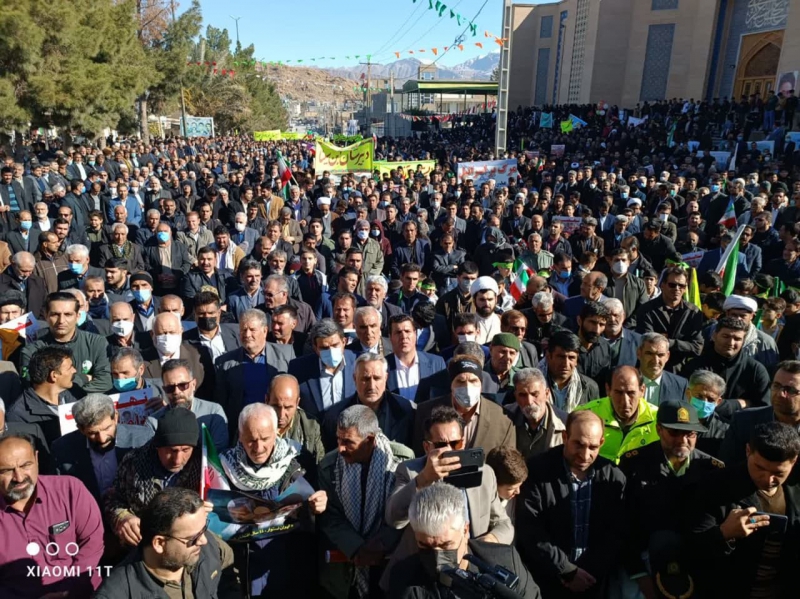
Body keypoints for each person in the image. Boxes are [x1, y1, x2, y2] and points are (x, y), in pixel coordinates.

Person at [618, 400, 724, 599]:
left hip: (694, 564)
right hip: (643, 563)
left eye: (690, 434)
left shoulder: (712, 470)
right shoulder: (634, 464)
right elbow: (622, 524)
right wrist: (639, 574)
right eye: (675, 432)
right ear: (659, 429)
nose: (683, 440)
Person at [219, 403, 327, 597]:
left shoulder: (298, 462)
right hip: (243, 568)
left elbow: (313, 519)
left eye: (265, 439)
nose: (258, 448)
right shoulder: (224, 468)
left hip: (289, 566)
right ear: (240, 436)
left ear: (277, 432)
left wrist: (318, 506)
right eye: (251, 440)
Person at [516, 411, 626, 599]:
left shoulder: (613, 477)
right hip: (545, 582)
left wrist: (587, 573)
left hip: (593, 583)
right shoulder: (537, 471)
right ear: (565, 437)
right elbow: (531, 529)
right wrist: (566, 570)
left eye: (593, 447)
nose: (585, 455)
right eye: (579, 445)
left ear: (601, 443)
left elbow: (616, 533)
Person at [685, 422, 800, 598]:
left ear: (794, 461)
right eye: (760, 468)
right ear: (748, 451)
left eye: (778, 473)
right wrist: (724, 533)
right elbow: (690, 549)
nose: (768, 479)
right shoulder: (715, 487)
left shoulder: (795, 489)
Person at [317, 404, 415, 599]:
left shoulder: (401, 461)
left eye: (348, 442)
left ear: (369, 440)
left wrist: (380, 544)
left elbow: (405, 510)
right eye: (338, 439)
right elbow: (330, 516)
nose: (340, 448)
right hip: (345, 570)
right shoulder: (329, 466)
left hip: (387, 564)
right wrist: (356, 548)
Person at [388, 481, 540, 599]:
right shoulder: (404, 578)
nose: (437, 558)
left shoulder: (506, 561)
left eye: (446, 545)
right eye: (425, 546)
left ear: (465, 530)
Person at [0, 432, 105, 598]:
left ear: (36, 458)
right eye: (7, 470)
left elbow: (93, 543)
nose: (19, 477)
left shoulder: (70, 490)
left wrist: (69, 592)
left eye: (26, 465)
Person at [94, 487, 239, 599]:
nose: (204, 540)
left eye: (204, 529)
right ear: (159, 543)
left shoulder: (214, 549)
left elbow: (230, 586)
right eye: (192, 538)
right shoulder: (117, 593)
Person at [104, 407, 202, 547]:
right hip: (145, 544)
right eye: (171, 451)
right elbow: (112, 499)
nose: (177, 460)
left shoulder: (203, 467)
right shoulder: (133, 463)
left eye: (186, 450)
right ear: (157, 446)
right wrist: (122, 518)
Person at [52, 393, 153, 505]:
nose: (102, 439)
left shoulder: (143, 439)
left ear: (115, 417)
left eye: (107, 428)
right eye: (93, 433)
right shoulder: (63, 448)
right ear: (81, 429)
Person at [412, 355, 516, 455]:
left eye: (473, 381)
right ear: (451, 385)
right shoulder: (426, 412)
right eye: (460, 381)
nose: (467, 387)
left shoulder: (503, 420)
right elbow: (418, 455)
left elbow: (506, 461)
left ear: (481, 385)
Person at [214, 309, 289, 439]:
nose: (247, 334)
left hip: (277, 429)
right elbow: (221, 402)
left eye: (252, 330)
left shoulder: (286, 355)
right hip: (241, 431)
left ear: (265, 331)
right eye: (243, 330)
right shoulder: (224, 362)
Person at [21, 291, 112, 396]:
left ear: (78, 316)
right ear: (46, 315)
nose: (61, 321)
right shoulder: (31, 351)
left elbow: (105, 382)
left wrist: (60, 392)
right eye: (55, 314)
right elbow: (32, 387)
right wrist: (82, 378)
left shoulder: (97, 343)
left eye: (68, 314)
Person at [322, 352, 415, 450]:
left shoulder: (404, 410)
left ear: (386, 378)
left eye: (377, 378)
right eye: (365, 379)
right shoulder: (336, 416)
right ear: (355, 379)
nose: (371, 386)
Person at [720, 359, 800, 464]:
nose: (780, 394)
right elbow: (728, 468)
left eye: (790, 390)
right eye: (776, 386)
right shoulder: (744, 422)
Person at [574, 365, 659, 463]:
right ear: (608, 390)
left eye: (631, 393)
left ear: (642, 390)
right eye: (619, 393)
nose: (625, 401)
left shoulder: (658, 419)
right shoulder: (585, 416)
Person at [683, 316, 771, 407]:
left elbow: (763, 408)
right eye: (726, 336)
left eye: (737, 339)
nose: (731, 343)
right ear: (714, 336)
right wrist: (740, 403)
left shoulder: (755, 370)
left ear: (743, 341)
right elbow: (686, 400)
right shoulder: (696, 365)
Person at [147, 358, 229, 450]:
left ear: (193, 384)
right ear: (164, 390)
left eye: (183, 385)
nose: (177, 391)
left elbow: (218, 452)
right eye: (170, 388)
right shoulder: (154, 422)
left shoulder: (213, 413)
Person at [635, 266, 704, 372]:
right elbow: (648, 343)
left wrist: (670, 342)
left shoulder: (694, 313)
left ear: (685, 288)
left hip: (680, 371)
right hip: (650, 367)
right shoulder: (646, 310)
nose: (677, 288)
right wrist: (683, 344)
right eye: (672, 285)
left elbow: (697, 348)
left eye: (681, 285)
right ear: (662, 285)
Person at [287, 318, 357, 420]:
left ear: (344, 342)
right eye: (324, 348)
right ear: (315, 348)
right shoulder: (299, 368)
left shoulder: (358, 362)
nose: (331, 351)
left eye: (335, 345)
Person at [7, 346, 78, 446]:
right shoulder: (19, 415)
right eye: (70, 368)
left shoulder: (76, 394)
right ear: (54, 376)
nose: (74, 371)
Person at [504, 367, 567, 460]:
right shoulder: (504, 418)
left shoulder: (565, 423)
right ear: (515, 396)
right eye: (522, 395)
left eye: (534, 394)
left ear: (547, 394)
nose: (529, 402)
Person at [386, 313, 446, 402]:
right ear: (390, 337)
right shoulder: (382, 366)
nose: (404, 337)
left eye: (407, 331)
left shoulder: (436, 363)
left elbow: (444, 397)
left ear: (415, 334)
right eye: (398, 332)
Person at [268, 373, 325, 465]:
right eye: (276, 407)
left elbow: (320, 463)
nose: (281, 415)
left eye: (288, 407)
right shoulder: (252, 424)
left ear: (297, 403)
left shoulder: (311, 426)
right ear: (267, 400)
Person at [538, 330, 600, 412]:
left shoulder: (589, 387)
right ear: (548, 356)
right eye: (561, 357)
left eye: (571, 358)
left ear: (576, 360)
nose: (566, 364)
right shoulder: (533, 384)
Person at [684, 369, 730, 457]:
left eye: (710, 399)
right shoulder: (673, 419)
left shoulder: (725, 431)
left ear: (718, 402)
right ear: (688, 393)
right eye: (699, 396)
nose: (704, 402)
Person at [637, 332, 689, 406]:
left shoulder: (680, 386)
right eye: (650, 354)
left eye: (660, 355)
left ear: (667, 356)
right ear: (639, 353)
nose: (655, 360)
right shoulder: (623, 381)